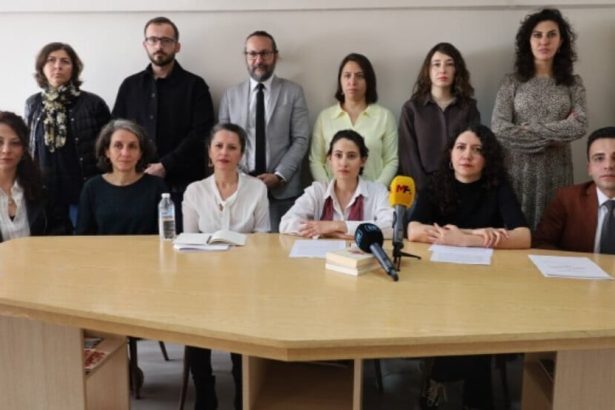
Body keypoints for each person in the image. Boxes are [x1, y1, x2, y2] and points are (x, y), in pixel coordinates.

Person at [408, 124, 530, 410]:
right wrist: (478, 234)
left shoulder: (498, 186)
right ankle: (447, 388)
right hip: (438, 281)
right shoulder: (436, 183)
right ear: (450, 154)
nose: (467, 155)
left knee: (477, 317)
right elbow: (413, 230)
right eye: (461, 147)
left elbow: (524, 236)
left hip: (485, 283)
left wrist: (465, 239)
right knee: (451, 312)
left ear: (487, 159)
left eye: (477, 150)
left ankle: (464, 393)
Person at [183, 123, 269, 410]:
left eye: (232, 147)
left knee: (242, 326)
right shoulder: (194, 191)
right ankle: (204, 392)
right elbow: (188, 242)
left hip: (245, 280)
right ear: (209, 152)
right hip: (203, 280)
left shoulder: (257, 189)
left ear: (241, 154)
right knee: (195, 321)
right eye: (218, 146)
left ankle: (243, 391)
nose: (224, 153)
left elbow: (263, 239)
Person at [113, 16, 215, 231]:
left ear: (177, 46)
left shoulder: (195, 86)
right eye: (153, 40)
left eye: (166, 41)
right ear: (145, 45)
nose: (159, 46)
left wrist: (166, 165)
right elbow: (116, 132)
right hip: (135, 182)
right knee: (136, 245)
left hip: (183, 185)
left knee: (180, 244)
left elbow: (202, 133)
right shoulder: (130, 86)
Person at [491, 8, 588, 230]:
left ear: (561, 42)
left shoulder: (573, 83)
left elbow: (579, 125)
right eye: (537, 35)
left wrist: (530, 129)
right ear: (528, 41)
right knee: (516, 234)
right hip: (517, 171)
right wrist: (554, 135)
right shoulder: (511, 82)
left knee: (553, 233)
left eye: (551, 34)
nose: (544, 41)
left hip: (557, 171)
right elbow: (499, 128)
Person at [218, 30, 310, 233]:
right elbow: (222, 144)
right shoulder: (230, 96)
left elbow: (301, 139)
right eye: (253, 54)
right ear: (246, 56)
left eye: (265, 53)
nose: (259, 60)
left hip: (282, 191)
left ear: (275, 56)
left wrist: (279, 175)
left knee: (282, 247)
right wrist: (241, 177)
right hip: (239, 189)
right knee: (241, 248)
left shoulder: (293, 92)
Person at [24, 42, 111, 228]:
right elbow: (29, 147)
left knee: (83, 241)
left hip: (83, 190)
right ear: (42, 67)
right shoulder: (33, 103)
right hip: (44, 193)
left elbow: (108, 149)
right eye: (51, 60)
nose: (58, 66)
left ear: (74, 68)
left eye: (65, 61)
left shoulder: (93, 103)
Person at [280, 129, 393, 239]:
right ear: (329, 159)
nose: (344, 163)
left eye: (351, 156)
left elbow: (390, 227)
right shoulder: (317, 191)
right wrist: (329, 233)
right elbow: (286, 223)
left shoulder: (378, 191)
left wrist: (338, 226)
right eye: (338, 155)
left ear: (363, 161)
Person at [398, 42, 480, 191]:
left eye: (449, 64)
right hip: (421, 189)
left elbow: (473, 150)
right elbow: (408, 156)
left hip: (460, 186)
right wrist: (425, 189)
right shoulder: (411, 109)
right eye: (436, 64)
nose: (442, 70)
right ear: (428, 70)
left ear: (456, 70)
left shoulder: (468, 108)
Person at [310, 53, 398, 186]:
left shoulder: (384, 116)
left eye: (359, 76)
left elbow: (391, 160)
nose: (352, 82)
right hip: (333, 193)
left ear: (369, 81)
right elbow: (316, 161)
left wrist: (375, 192)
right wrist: (329, 190)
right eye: (347, 76)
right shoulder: (325, 117)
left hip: (373, 193)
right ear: (340, 81)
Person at [76, 119, 167, 235]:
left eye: (132, 146)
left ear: (140, 153)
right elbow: (83, 236)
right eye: (118, 146)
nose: (125, 153)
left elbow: (166, 235)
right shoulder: (92, 188)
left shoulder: (157, 187)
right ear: (107, 151)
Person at [534, 127, 615, 254]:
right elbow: (540, 243)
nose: (608, 165)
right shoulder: (566, 199)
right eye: (599, 158)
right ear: (589, 168)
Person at [0, 111, 69, 241]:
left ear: (24, 149)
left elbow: (61, 232)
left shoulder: (44, 186)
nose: (6, 150)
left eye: (15, 143)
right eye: (0, 142)